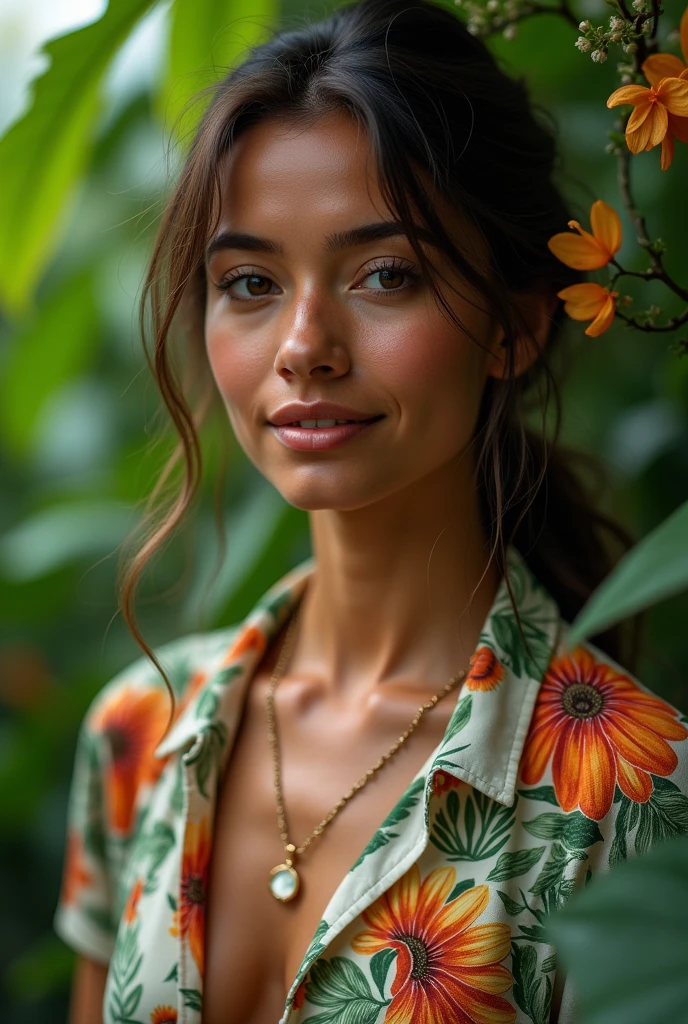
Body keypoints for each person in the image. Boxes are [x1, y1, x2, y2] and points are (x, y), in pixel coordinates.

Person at [54, 0, 688, 1021]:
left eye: (385, 274)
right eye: (250, 281)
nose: (304, 344)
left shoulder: (632, 796)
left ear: (514, 327)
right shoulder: (139, 733)